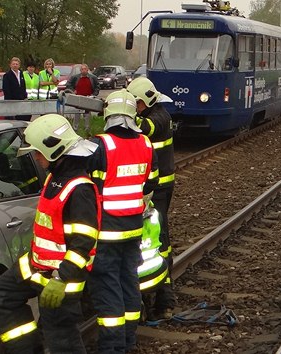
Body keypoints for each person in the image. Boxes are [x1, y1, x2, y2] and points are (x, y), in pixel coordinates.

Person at [0, 114, 101, 354]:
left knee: (62, 339)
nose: (36, 158)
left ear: (55, 151)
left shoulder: (80, 189)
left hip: (61, 279)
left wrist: (61, 279)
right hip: (36, 267)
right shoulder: (55, 177)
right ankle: (26, 349)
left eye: (38, 153)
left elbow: (84, 244)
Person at [86, 89, 159, 353]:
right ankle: (128, 342)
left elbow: (89, 188)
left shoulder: (100, 145)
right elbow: (151, 184)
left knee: (108, 291)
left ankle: (112, 348)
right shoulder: (146, 144)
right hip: (134, 228)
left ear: (108, 114)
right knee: (129, 282)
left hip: (106, 232)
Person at [126, 77, 176, 321]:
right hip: (148, 188)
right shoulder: (154, 113)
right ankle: (149, 297)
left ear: (145, 101)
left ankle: (165, 297)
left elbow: (146, 128)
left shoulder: (160, 117)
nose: (134, 109)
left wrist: (120, 114)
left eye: (135, 104)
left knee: (160, 239)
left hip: (160, 190)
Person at [67, 64, 100, 132]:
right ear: (80, 70)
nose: (83, 70)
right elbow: (68, 84)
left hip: (88, 98)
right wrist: (73, 91)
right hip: (78, 98)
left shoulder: (93, 78)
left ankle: (87, 129)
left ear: (87, 70)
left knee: (87, 114)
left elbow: (97, 87)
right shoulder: (75, 77)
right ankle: (75, 129)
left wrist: (93, 95)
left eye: (85, 69)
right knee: (77, 113)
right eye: (82, 69)